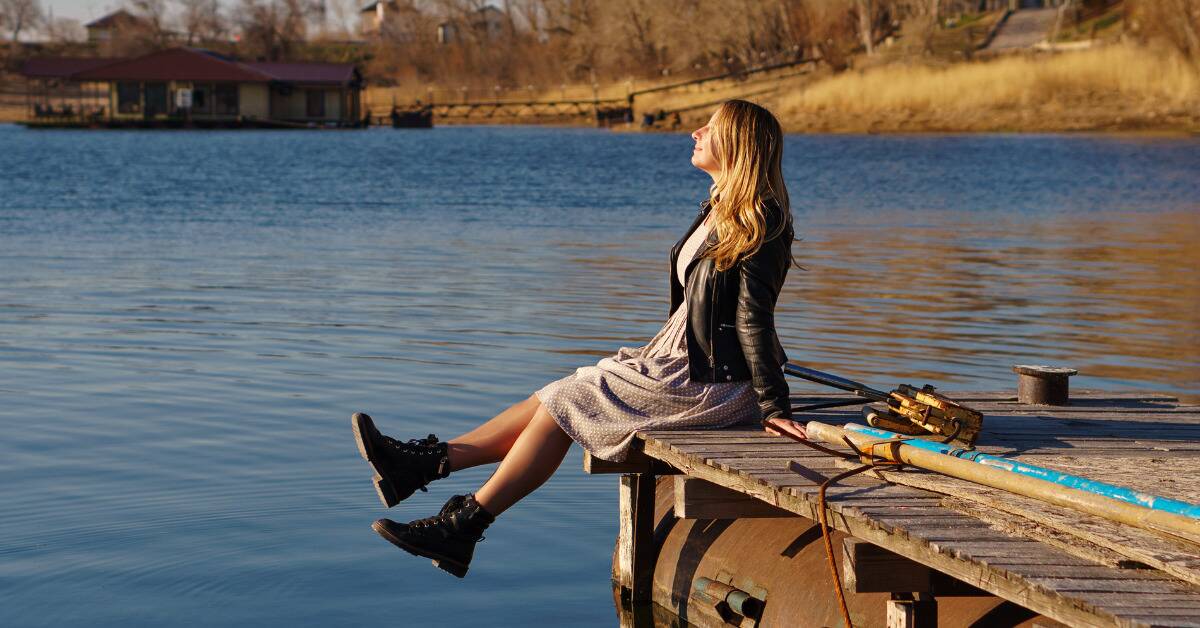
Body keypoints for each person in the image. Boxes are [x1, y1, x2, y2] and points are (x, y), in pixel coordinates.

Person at [351, 99, 807, 578]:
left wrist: (774, 409)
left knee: (568, 400)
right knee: (568, 388)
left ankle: (461, 520)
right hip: (680, 361)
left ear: (736, 144)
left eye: (709, 128)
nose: (695, 132)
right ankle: (429, 466)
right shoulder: (718, 210)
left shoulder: (762, 221)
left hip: (715, 384)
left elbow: (754, 320)